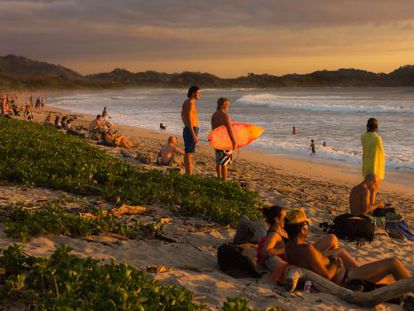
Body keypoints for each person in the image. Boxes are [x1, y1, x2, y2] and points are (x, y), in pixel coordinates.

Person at [285, 208, 411, 286]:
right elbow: (327, 276)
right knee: (394, 263)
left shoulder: (289, 247)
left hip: (344, 275)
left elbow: (312, 262)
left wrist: (327, 256)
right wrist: (335, 263)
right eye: (306, 225)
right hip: (347, 278)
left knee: (389, 278)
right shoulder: (307, 249)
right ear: (303, 229)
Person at [258, 206, 357, 290]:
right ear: (276, 219)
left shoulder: (282, 230)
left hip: (299, 251)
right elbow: (265, 252)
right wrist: (286, 249)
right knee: (339, 251)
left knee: (332, 239)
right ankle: (346, 271)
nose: (286, 218)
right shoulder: (274, 234)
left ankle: (342, 268)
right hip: (299, 254)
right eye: (284, 216)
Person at [211, 97, 236, 181]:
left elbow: (213, 130)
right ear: (223, 105)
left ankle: (218, 178)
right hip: (225, 141)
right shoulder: (225, 116)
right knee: (224, 162)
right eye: (227, 105)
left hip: (217, 140)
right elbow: (230, 131)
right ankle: (224, 181)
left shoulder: (214, 115)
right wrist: (234, 141)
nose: (228, 106)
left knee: (218, 161)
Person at [361, 118, 385, 206]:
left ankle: (368, 205)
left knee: (368, 189)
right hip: (375, 167)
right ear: (376, 126)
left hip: (366, 164)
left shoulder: (363, 136)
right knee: (374, 190)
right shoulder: (377, 138)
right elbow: (381, 153)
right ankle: (370, 207)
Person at [181, 85, 200, 176]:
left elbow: (182, 115)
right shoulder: (190, 103)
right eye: (198, 92)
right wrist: (193, 134)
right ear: (193, 93)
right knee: (189, 153)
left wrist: (186, 125)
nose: (199, 94)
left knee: (188, 152)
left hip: (189, 128)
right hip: (191, 129)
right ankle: (189, 174)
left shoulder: (186, 102)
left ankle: (188, 172)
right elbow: (188, 118)